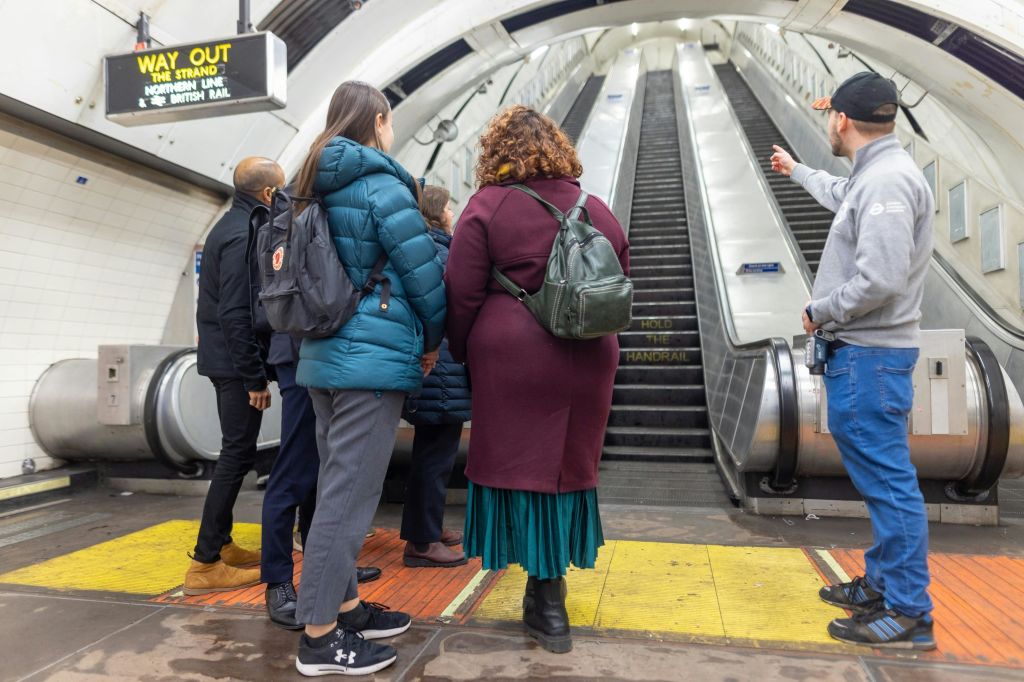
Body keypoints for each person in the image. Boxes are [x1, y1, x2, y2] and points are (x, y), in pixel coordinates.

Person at [445, 105, 629, 654]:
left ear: (497, 153)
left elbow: (461, 290)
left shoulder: (488, 206)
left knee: (517, 465)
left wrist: (463, 351)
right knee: (567, 467)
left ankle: (541, 592)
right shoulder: (595, 207)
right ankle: (549, 598)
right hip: (589, 354)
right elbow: (619, 272)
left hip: (513, 355)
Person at [771, 72, 935, 650]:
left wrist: (822, 309)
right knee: (881, 481)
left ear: (841, 119)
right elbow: (843, 196)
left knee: (890, 486)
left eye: (830, 117)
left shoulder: (888, 183)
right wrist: (796, 171)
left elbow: (882, 279)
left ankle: (910, 610)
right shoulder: (877, 177)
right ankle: (883, 584)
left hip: (870, 358)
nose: (828, 126)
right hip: (864, 358)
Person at [290, 81, 446, 677]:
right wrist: (431, 343)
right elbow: (425, 277)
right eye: (390, 121)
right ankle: (320, 637)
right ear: (378, 121)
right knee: (347, 499)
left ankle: (346, 605)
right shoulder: (383, 185)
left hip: (322, 357)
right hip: (370, 363)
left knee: (337, 485)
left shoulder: (310, 186)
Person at [184, 157, 284, 595]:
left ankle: (221, 546)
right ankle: (204, 565)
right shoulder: (246, 232)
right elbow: (235, 311)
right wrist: (254, 378)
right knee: (235, 456)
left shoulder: (230, 224)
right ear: (267, 195)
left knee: (237, 454)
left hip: (225, 361)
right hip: (234, 365)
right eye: (280, 192)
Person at [261, 331, 383, 630]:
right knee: (293, 470)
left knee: (327, 469)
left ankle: (333, 570)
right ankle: (277, 581)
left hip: (325, 350)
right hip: (302, 350)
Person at [401, 185, 471, 569]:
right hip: (440, 370)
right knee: (434, 458)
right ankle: (421, 542)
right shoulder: (440, 251)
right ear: (438, 212)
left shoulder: (425, 247)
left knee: (433, 456)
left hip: (437, 370)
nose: (453, 213)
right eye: (449, 207)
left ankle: (428, 527)